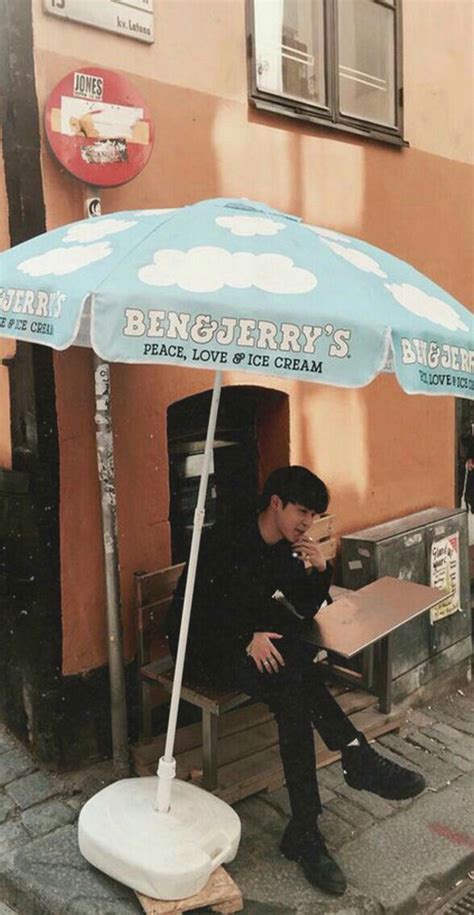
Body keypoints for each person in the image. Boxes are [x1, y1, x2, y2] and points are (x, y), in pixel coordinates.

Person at [167, 466, 426, 896]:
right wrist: (243, 637)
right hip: (202, 649)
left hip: (258, 645)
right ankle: (352, 759)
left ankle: (309, 825)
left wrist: (320, 569)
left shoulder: (288, 548)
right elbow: (195, 610)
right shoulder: (225, 538)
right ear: (276, 504)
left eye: (313, 515)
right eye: (301, 511)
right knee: (294, 675)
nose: (307, 522)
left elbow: (305, 612)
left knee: (292, 685)